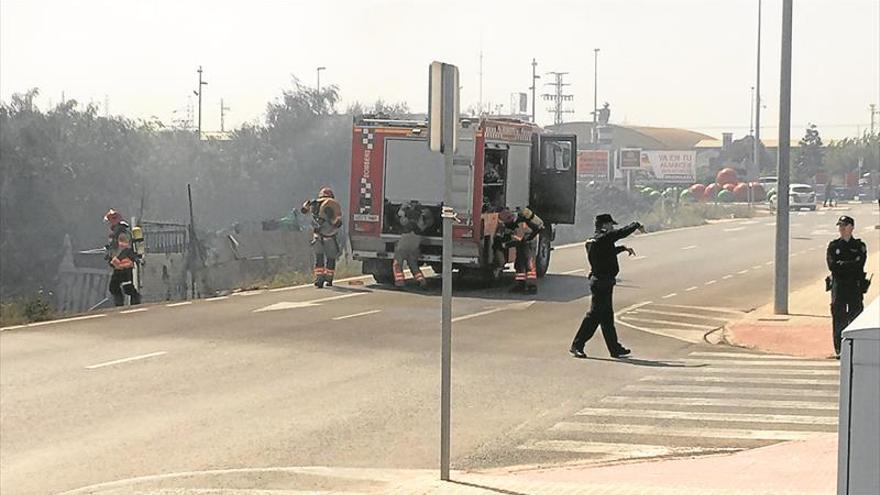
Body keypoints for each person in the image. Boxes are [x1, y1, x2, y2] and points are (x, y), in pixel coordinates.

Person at [570, 213, 645, 359]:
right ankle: (577, 345)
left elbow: (606, 252)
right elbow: (620, 233)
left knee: (607, 318)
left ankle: (615, 348)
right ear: (604, 225)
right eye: (610, 225)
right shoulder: (603, 238)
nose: (612, 227)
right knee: (594, 316)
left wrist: (622, 248)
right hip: (601, 282)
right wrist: (636, 224)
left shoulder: (595, 240)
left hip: (604, 281)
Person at [826, 215, 868, 358]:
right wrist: (849, 264)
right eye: (840, 226)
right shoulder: (834, 246)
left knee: (855, 316)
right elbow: (833, 266)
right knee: (839, 318)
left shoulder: (859, 246)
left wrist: (843, 264)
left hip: (854, 286)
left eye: (844, 226)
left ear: (851, 227)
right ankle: (840, 349)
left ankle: (856, 347)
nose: (841, 229)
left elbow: (860, 265)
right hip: (839, 286)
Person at [301, 187, 343, 288]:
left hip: (317, 237)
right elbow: (337, 223)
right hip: (329, 237)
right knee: (331, 258)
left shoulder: (314, 205)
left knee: (319, 257)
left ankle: (319, 279)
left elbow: (304, 211)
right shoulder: (333, 205)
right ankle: (328, 279)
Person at [500, 207, 544, 294]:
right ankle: (521, 285)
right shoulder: (514, 221)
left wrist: (505, 245)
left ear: (510, 217)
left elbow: (517, 238)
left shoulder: (520, 223)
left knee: (529, 264)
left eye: (505, 221)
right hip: (522, 242)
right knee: (519, 264)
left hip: (529, 242)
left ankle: (532, 287)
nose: (505, 223)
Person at [104, 209, 142, 306]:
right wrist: (109, 254)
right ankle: (121, 305)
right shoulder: (116, 234)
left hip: (125, 265)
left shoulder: (122, 233)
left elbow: (126, 249)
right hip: (119, 266)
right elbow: (116, 248)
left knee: (124, 287)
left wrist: (117, 259)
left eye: (109, 222)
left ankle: (133, 302)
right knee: (115, 287)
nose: (109, 225)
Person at [392, 201, 433, 289]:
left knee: (397, 263)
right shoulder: (424, 214)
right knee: (412, 263)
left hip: (406, 238)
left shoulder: (406, 213)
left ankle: (399, 283)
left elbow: (400, 218)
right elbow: (428, 224)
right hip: (416, 240)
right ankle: (421, 281)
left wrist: (402, 208)